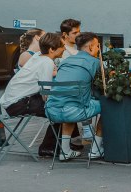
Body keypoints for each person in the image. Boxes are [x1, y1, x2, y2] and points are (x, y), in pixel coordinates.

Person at [1, 32, 65, 156]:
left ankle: (61, 142)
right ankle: (48, 147)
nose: (65, 48)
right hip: (19, 104)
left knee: (61, 106)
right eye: (62, 46)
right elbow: (46, 92)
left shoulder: (37, 56)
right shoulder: (47, 62)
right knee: (61, 111)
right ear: (52, 49)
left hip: (11, 101)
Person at [44, 32, 105, 160]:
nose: (99, 49)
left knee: (69, 102)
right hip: (75, 111)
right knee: (108, 106)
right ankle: (96, 149)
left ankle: (65, 151)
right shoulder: (94, 62)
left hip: (51, 111)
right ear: (90, 47)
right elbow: (103, 86)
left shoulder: (65, 61)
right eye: (98, 46)